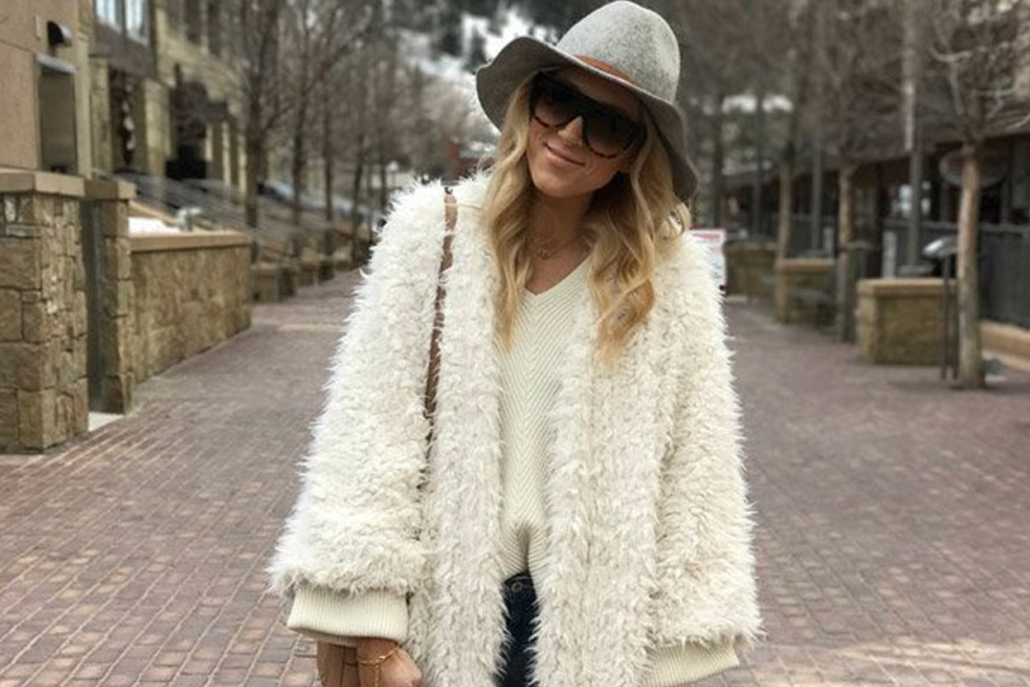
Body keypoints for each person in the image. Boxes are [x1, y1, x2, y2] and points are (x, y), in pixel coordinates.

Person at [268, 2, 762, 687]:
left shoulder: (666, 282)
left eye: (610, 123)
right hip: (442, 619)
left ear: (632, 156)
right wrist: (373, 633)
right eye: (561, 100)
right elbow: (368, 432)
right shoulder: (432, 239)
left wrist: (678, 652)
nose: (572, 133)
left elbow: (698, 468)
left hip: (596, 629)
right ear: (531, 101)